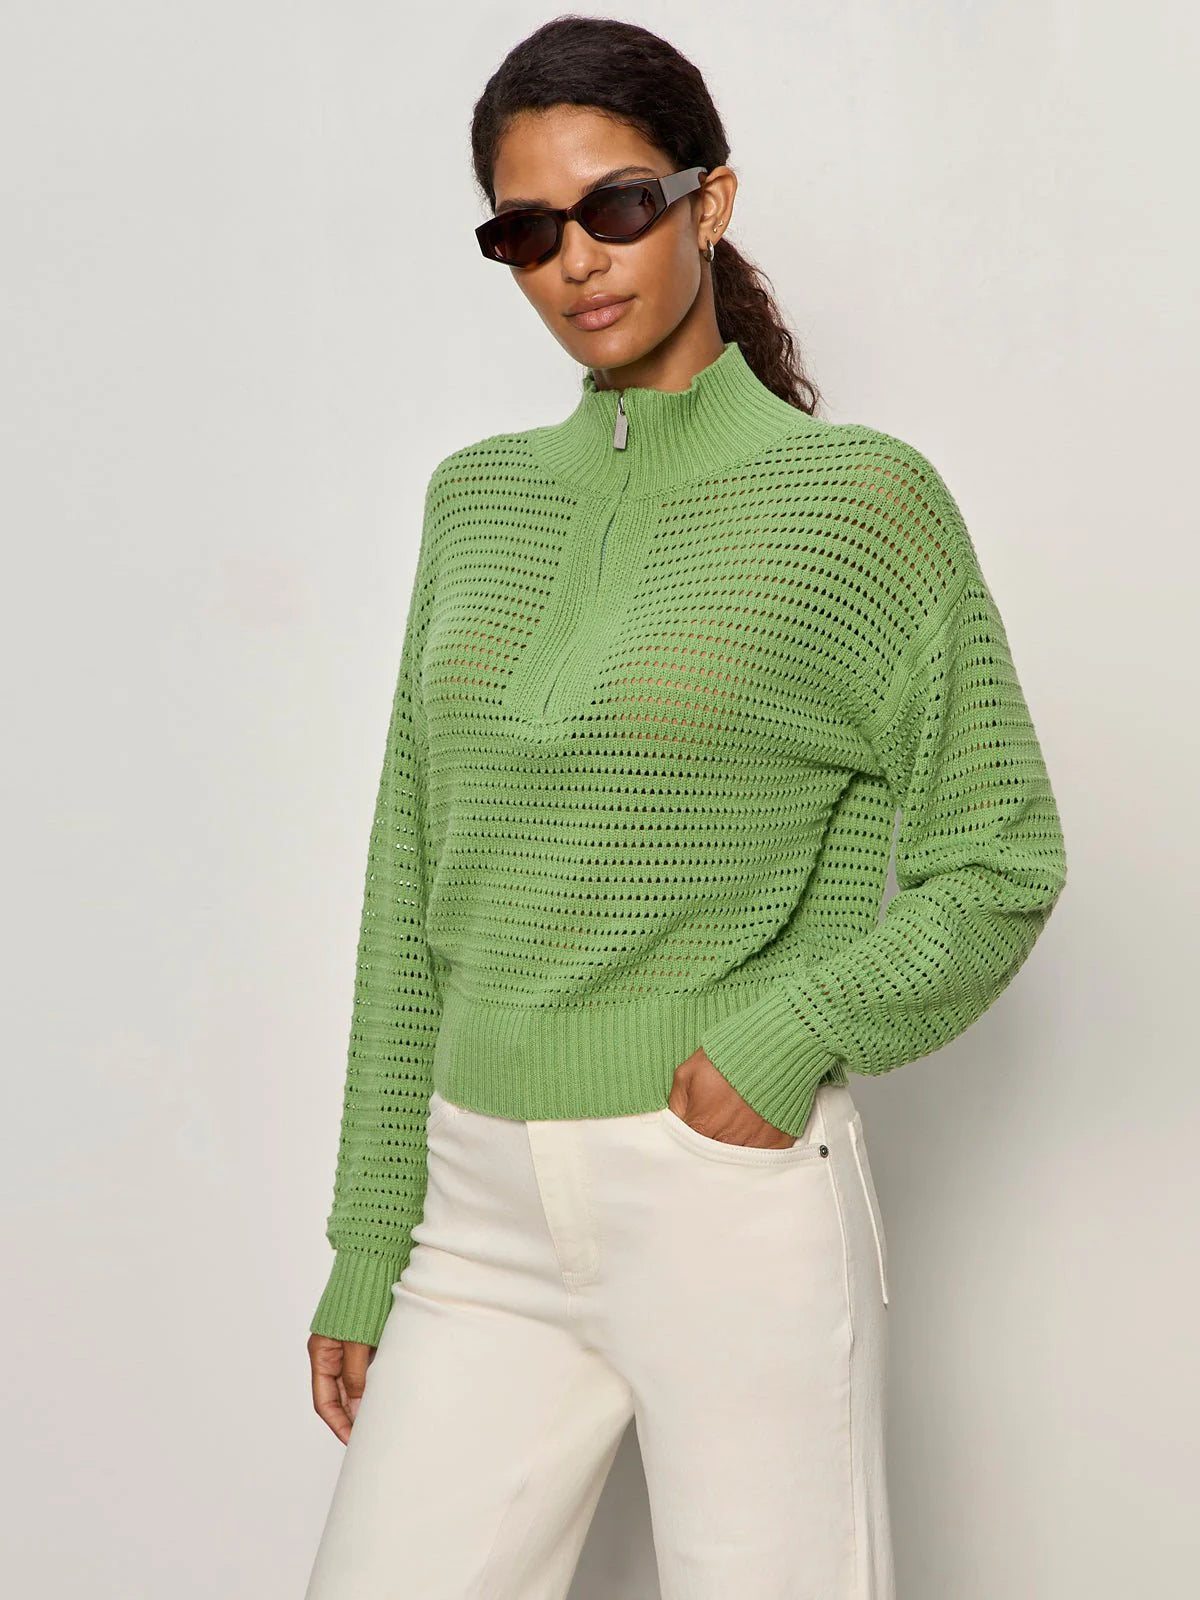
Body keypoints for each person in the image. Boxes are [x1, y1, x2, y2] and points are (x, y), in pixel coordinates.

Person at [303, 16, 1068, 1599]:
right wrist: (370, 1239)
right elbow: (410, 881)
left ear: (708, 202)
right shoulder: (474, 503)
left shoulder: (858, 503)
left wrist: (784, 1044)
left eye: (616, 207)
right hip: (479, 1208)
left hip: (722, 1196)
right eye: (527, 232)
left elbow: (1001, 857)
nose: (576, 261)